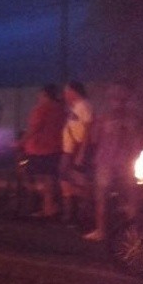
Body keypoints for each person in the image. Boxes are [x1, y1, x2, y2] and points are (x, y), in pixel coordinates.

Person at [82, 82, 143, 241]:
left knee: (102, 196)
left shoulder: (105, 118)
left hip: (106, 161)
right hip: (127, 161)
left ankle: (101, 231)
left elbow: (94, 138)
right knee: (131, 197)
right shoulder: (134, 119)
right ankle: (133, 233)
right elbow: (138, 142)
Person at [18, 84, 67, 218]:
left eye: (40, 94)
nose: (38, 97)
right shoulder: (61, 109)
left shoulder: (41, 110)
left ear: (45, 94)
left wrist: (20, 142)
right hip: (56, 148)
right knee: (50, 179)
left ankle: (48, 207)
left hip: (39, 149)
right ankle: (49, 206)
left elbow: (34, 128)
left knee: (33, 177)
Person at [59, 80, 94, 226]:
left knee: (79, 181)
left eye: (67, 91)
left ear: (74, 91)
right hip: (70, 149)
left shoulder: (84, 105)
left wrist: (82, 152)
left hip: (77, 149)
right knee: (65, 179)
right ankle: (71, 214)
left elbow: (88, 129)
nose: (65, 94)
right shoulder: (75, 107)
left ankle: (83, 213)